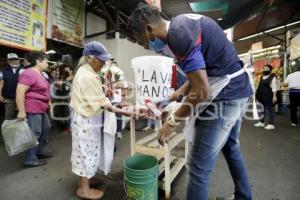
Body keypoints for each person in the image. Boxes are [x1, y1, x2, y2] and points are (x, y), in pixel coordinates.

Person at [128, 3, 252, 200]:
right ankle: (244, 196)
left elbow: (202, 90)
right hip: (239, 88)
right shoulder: (181, 24)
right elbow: (203, 72)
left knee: (197, 167)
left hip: (227, 95)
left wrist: (171, 122)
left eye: (141, 42)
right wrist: (177, 93)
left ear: (149, 30)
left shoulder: (178, 36)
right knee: (230, 147)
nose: (145, 47)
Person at [70, 41, 138, 200]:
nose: (103, 63)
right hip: (86, 120)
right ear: (90, 58)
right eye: (101, 60)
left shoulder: (86, 70)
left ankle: (84, 181)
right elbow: (103, 103)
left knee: (85, 152)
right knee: (86, 153)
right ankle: (84, 190)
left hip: (86, 118)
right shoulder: (87, 75)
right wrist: (124, 110)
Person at [16, 51, 52, 167]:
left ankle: (38, 151)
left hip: (41, 108)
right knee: (34, 132)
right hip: (32, 107)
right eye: (46, 62)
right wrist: (21, 111)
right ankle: (30, 159)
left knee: (46, 128)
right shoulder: (29, 73)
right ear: (38, 62)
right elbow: (20, 92)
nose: (48, 64)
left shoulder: (40, 74)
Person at [0, 53, 25, 120]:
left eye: (15, 59)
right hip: (9, 97)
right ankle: (7, 130)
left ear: (18, 60)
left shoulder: (24, 70)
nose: (14, 61)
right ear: (8, 61)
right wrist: (0, 95)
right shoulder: (3, 71)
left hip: (23, 97)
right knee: (9, 117)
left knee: (22, 117)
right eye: (11, 60)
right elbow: (1, 83)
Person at [255, 64, 277, 130]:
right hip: (261, 95)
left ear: (270, 70)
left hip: (268, 96)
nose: (265, 69)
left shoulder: (272, 77)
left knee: (270, 110)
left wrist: (274, 96)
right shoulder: (261, 77)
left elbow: (274, 87)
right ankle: (261, 122)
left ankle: (271, 124)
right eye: (264, 68)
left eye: (267, 68)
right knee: (262, 109)